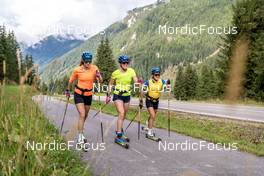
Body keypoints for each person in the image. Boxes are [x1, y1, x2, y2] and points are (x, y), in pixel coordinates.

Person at [65, 51, 102, 144]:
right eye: (86, 61)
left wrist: (99, 76)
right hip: (78, 94)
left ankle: (80, 131)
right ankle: (80, 136)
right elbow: (70, 81)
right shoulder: (77, 70)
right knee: (82, 114)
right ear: (83, 60)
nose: (88, 63)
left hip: (88, 95)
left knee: (85, 115)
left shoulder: (95, 68)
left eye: (89, 61)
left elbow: (100, 81)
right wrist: (68, 90)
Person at [107, 55, 140, 145]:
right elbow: (110, 84)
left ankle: (120, 130)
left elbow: (135, 80)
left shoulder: (131, 71)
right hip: (118, 95)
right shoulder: (115, 73)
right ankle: (118, 135)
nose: (126, 64)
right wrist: (108, 94)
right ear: (120, 64)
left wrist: (138, 82)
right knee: (121, 113)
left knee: (124, 114)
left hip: (127, 95)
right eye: (124, 63)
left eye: (127, 63)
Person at [141, 67, 168, 137]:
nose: (157, 76)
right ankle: (149, 132)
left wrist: (167, 85)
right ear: (152, 75)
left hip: (156, 101)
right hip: (149, 100)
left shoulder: (162, 81)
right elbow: (142, 91)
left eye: (158, 75)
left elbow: (165, 90)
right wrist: (141, 100)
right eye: (156, 75)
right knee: (153, 115)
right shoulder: (148, 82)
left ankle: (148, 124)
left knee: (152, 115)